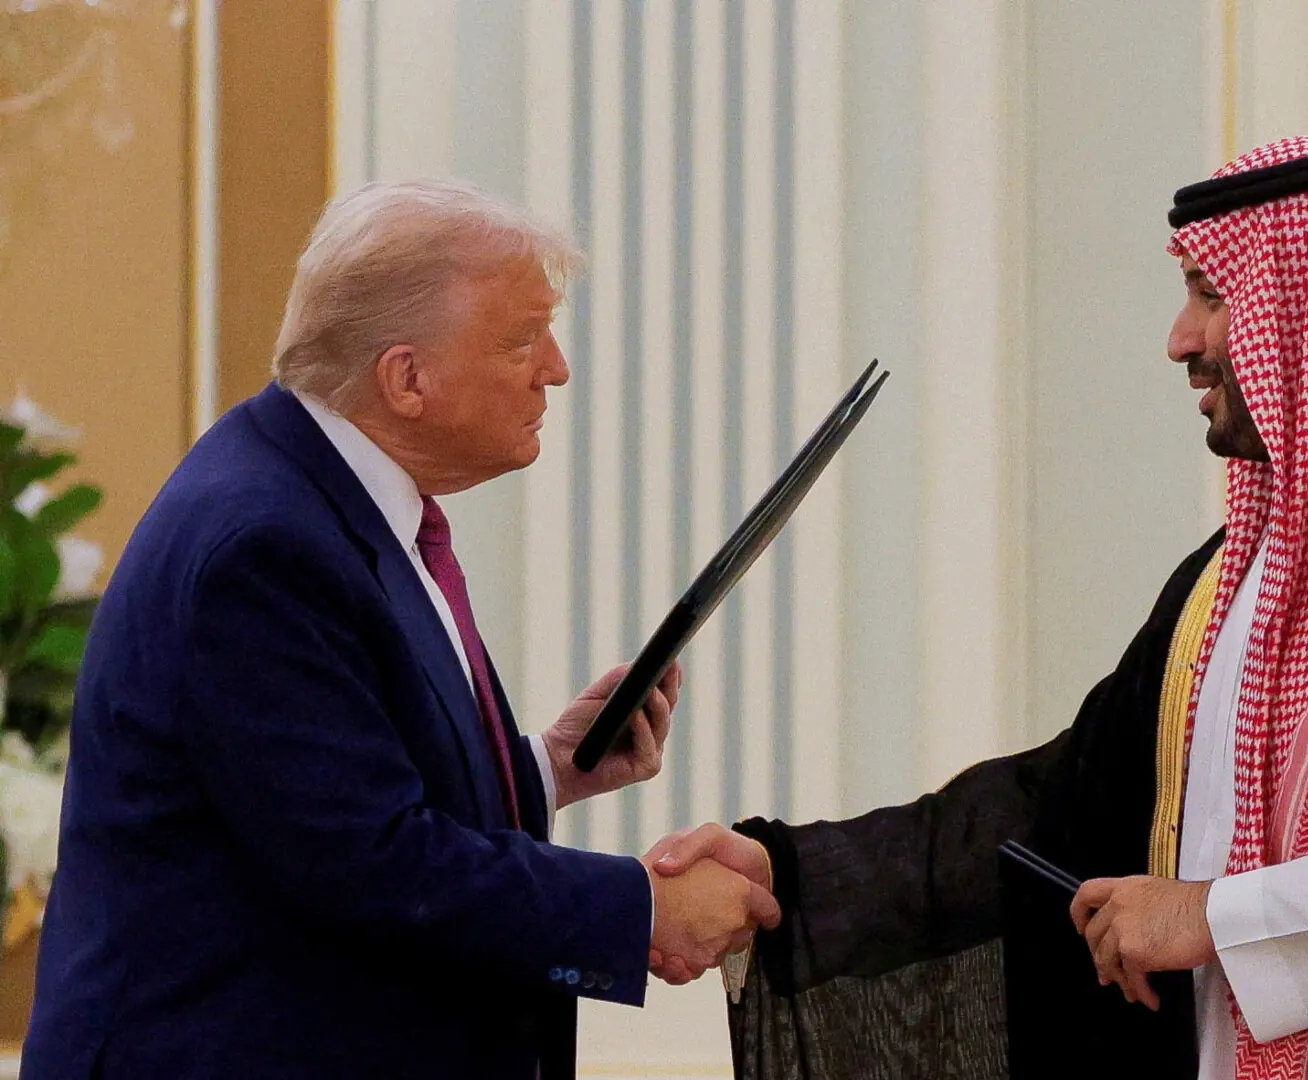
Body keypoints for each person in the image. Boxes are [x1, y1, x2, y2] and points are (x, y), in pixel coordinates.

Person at [649, 136, 1308, 1080]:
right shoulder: (1229, 582)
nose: (1179, 340)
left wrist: (1215, 917)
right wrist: (790, 873)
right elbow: (1051, 808)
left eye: (1209, 294)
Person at [23, 179, 780, 1080]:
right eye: (520, 339)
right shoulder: (263, 547)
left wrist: (541, 771)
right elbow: (369, 864)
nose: (556, 368)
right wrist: (640, 910)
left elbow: (329, 800)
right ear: (406, 378)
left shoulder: (323, 498)